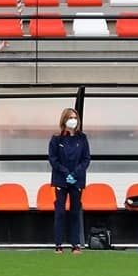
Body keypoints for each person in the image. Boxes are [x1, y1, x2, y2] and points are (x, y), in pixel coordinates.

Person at [48, 107, 91, 254]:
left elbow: (86, 159)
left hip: (77, 180)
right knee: (60, 211)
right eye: (70, 117)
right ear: (64, 120)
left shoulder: (82, 138)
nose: (73, 120)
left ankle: (75, 244)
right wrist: (66, 173)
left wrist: (75, 174)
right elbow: (53, 159)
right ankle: (58, 244)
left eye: (75, 117)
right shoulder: (56, 138)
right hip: (61, 179)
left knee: (75, 211)